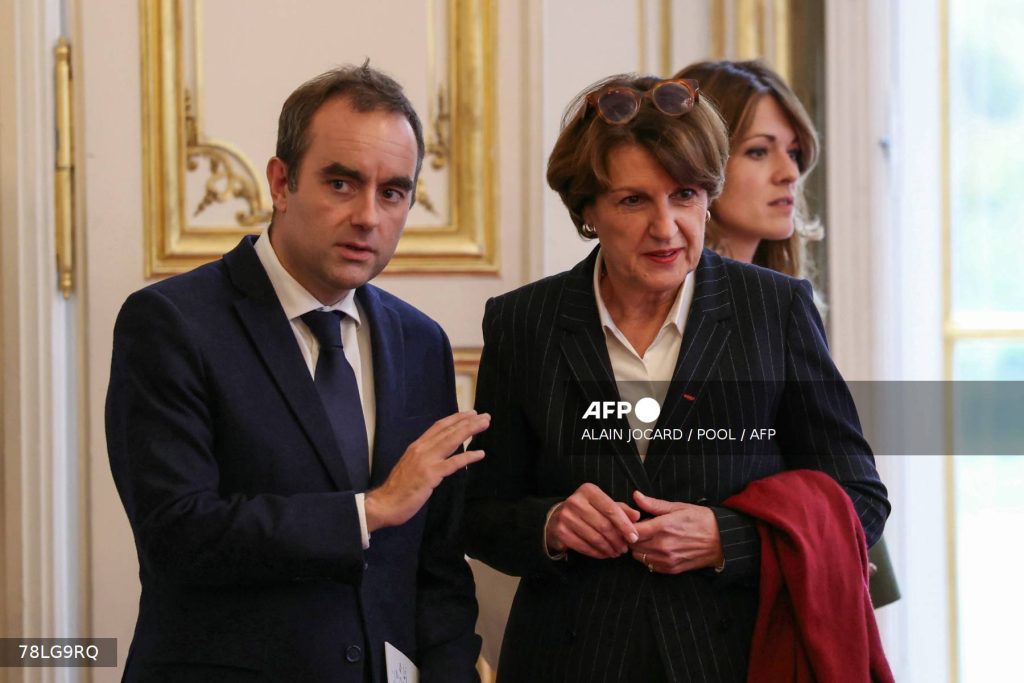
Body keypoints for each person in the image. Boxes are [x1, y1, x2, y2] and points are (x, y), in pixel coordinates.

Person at [464, 73, 891, 682]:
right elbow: (480, 513)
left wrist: (728, 539)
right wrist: (551, 525)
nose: (666, 228)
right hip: (569, 661)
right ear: (587, 210)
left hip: (734, 661)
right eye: (634, 200)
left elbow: (860, 498)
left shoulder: (775, 309)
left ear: (708, 195)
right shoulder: (522, 322)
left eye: (685, 195)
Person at [106, 63, 488, 682]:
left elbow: (436, 565)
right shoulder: (170, 323)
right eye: (342, 183)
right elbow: (177, 534)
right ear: (281, 183)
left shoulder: (422, 343)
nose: (369, 216)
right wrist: (368, 511)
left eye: (392, 192)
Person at [676, 58, 900, 608]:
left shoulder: (788, 306)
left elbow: (845, 487)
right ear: (697, 166)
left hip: (789, 602)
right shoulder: (655, 310)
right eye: (759, 150)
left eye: (794, 152)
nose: (789, 173)